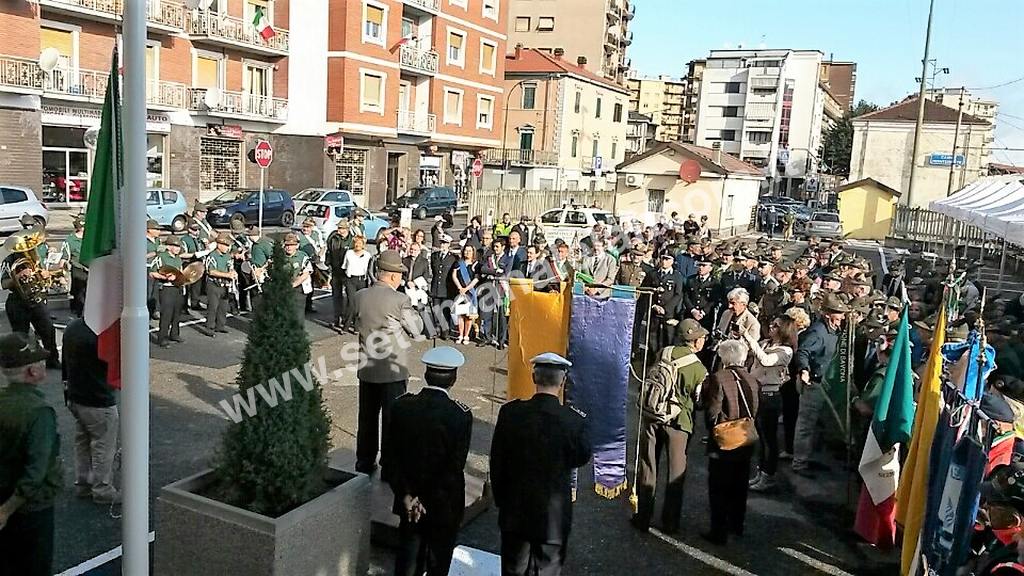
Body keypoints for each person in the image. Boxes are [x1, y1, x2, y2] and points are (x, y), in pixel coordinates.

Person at [490, 353, 591, 576]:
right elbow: (582, 457)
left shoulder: (511, 413)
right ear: (562, 381)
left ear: (534, 377)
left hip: (515, 510)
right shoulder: (574, 420)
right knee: (548, 569)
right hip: (553, 516)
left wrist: (501, 500)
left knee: (513, 568)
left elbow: (497, 461)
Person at [383, 346, 473, 576]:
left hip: (408, 500)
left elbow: (391, 458)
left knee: (407, 559)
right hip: (442, 503)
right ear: (453, 378)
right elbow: (453, 466)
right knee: (438, 562)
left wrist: (407, 495)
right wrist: (425, 498)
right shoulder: (459, 414)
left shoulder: (401, 406)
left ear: (425, 375)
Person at [632, 319, 709, 534]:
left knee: (648, 466)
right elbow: (700, 400)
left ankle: (642, 516)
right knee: (676, 472)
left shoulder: (665, 352)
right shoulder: (699, 368)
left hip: (653, 414)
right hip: (678, 421)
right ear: (695, 341)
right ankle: (670, 522)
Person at [352, 251, 424, 474]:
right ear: (393, 276)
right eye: (400, 274)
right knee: (392, 419)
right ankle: (389, 465)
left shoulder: (360, 295)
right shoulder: (401, 300)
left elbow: (356, 322)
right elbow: (417, 329)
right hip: (393, 369)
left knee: (367, 417)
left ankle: (364, 461)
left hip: (367, 366)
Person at [0, 333, 63, 576]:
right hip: (31, 508)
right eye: (39, 361)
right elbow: (36, 470)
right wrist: (7, 509)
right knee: (34, 566)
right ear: (31, 372)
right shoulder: (39, 412)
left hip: (3, 493)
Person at [701, 340, 759, 545]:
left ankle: (718, 531)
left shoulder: (719, 378)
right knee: (740, 484)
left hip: (725, 441)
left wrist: (716, 428)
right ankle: (737, 524)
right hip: (745, 437)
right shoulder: (752, 379)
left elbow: (712, 412)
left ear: (724, 357)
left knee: (719, 487)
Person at [62, 318, 119, 504]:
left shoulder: (72, 328)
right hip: (99, 399)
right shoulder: (104, 334)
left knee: (83, 442)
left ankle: (84, 483)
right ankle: (102, 489)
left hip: (76, 396)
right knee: (102, 445)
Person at [792, 296, 849, 476]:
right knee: (806, 424)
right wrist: (804, 370)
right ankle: (799, 463)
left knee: (820, 423)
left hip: (828, 384)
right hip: (814, 384)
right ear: (827, 315)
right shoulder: (817, 333)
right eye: (837, 314)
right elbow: (803, 352)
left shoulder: (835, 330)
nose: (841, 318)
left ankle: (811, 457)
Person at [744, 316, 797, 492]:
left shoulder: (785, 351)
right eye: (772, 324)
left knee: (769, 439)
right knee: (760, 437)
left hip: (770, 395)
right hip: (758, 391)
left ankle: (769, 475)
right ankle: (760, 472)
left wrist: (749, 337)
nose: (772, 328)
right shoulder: (767, 343)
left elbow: (767, 361)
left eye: (776, 326)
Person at [1, 247, 60, 369]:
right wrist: (17, 277)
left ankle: (52, 360)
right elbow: (4, 283)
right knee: (20, 335)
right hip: (17, 301)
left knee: (48, 330)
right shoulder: (9, 260)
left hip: (36, 299)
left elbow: (48, 272)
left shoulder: (37, 258)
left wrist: (45, 274)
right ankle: (23, 364)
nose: (28, 249)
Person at [152, 236, 186, 347]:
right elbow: (152, 273)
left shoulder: (178, 259)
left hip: (177, 288)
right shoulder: (161, 257)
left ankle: (175, 334)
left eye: (178, 246)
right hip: (166, 288)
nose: (177, 249)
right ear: (169, 247)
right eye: (175, 246)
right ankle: (162, 338)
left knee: (177, 313)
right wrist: (166, 277)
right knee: (166, 314)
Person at [200, 233, 236, 338]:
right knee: (213, 306)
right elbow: (211, 271)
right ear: (219, 245)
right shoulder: (212, 256)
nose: (227, 248)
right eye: (225, 245)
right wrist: (227, 275)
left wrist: (233, 273)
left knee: (223, 306)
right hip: (213, 284)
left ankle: (220, 325)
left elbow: (230, 267)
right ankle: (209, 327)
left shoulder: (228, 256)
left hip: (225, 284)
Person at [651, 254, 685, 353]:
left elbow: (678, 294)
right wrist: (654, 305)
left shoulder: (677, 276)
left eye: (667, 259)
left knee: (668, 337)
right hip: (655, 310)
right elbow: (649, 291)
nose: (664, 261)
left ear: (672, 261)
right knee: (653, 337)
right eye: (662, 259)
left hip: (669, 312)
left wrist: (665, 309)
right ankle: (653, 358)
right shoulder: (653, 274)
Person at [715, 288, 761, 356]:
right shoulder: (726, 313)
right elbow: (719, 330)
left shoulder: (752, 323)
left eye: (733, 303)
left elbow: (752, 347)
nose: (729, 306)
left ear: (743, 304)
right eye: (729, 302)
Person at [341, 235, 372, 332]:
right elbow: (344, 266)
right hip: (351, 280)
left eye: (359, 243)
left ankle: (357, 326)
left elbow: (370, 269)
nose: (357, 245)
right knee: (351, 302)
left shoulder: (367, 255)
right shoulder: (349, 253)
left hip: (362, 280)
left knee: (360, 304)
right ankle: (346, 326)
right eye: (356, 242)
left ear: (363, 245)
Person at [451, 244, 479, 345]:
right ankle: (460, 334)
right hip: (460, 292)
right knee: (460, 315)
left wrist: (466, 288)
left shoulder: (476, 264)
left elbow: (476, 279)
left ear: (473, 252)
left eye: (469, 251)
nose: (467, 253)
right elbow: (454, 275)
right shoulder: (458, 263)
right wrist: (460, 287)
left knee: (468, 316)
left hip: (470, 292)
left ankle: (466, 335)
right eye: (466, 251)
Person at [60, 216, 88, 316]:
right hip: (78, 268)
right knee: (79, 292)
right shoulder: (70, 240)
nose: (84, 229)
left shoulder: (90, 238)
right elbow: (65, 255)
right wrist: (61, 272)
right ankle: (79, 312)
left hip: (90, 268)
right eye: (82, 227)